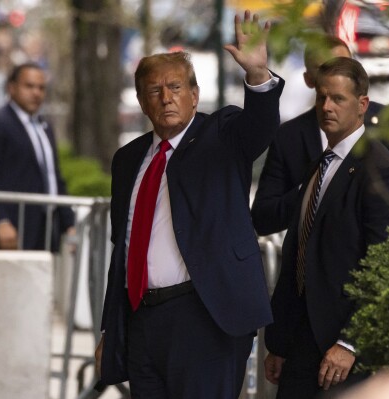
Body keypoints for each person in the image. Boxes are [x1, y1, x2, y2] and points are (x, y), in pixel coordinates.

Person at [94, 10, 284, 399]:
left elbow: (260, 128)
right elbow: (123, 248)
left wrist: (258, 76)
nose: (166, 97)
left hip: (205, 317)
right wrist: (110, 332)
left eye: (176, 87)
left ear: (194, 95)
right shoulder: (128, 159)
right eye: (154, 90)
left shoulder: (222, 134)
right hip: (142, 321)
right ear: (141, 101)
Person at [263, 57, 389, 399]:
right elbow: (299, 252)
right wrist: (281, 342)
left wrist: (351, 341)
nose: (326, 106)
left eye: (338, 99)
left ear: (362, 105)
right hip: (302, 342)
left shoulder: (379, 171)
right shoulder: (322, 163)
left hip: (343, 352)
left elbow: (387, 269)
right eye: (321, 97)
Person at [252, 35, 389, 237]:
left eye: (343, 68)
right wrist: (310, 191)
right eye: (324, 69)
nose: (335, 76)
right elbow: (263, 218)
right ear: (309, 80)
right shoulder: (289, 137)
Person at [0, 62, 74, 251]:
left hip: (47, 229)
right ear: (11, 88)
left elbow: (54, 176)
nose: (36, 93)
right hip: (12, 230)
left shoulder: (44, 126)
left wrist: (69, 223)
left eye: (41, 88)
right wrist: (0, 221)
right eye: (29, 86)